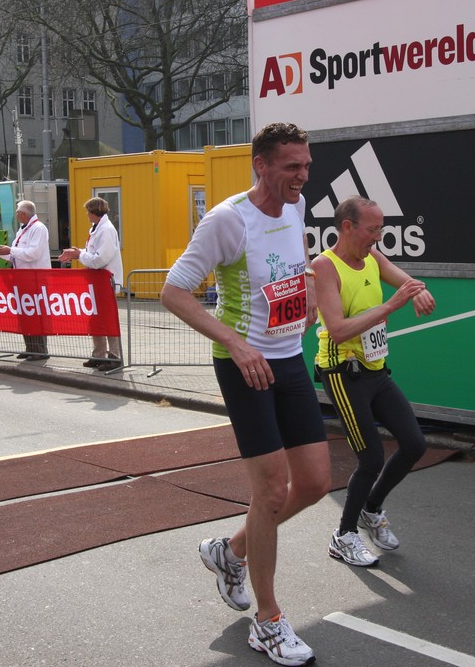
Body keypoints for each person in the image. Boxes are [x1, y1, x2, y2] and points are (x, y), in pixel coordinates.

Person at [161, 122, 328, 666]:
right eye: (291, 167)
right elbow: (173, 291)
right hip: (245, 366)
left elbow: (297, 256)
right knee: (271, 490)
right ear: (261, 165)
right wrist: (235, 344)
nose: (302, 176)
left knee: (314, 483)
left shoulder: (296, 206)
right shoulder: (228, 220)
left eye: (306, 166)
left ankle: (230, 550)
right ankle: (269, 621)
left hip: (289, 357)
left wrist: (307, 292)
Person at [311, 195, 435, 568]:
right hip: (342, 372)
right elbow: (337, 329)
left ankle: (372, 508)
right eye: (373, 229)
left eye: (381, 228)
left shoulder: (372, 257)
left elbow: (405, 280)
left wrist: (418, 290)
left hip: (376, 369)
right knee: (370, 457)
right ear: (348, 227)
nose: (378, 236)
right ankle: (344, 535)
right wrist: (391, 305)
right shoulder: (324, 266)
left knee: (414, 444)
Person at [60, 196, 122, 371]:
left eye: (88, 211)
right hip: (96, 281)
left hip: (106, 281)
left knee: (107, 320)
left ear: (94, 211)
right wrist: (78, 252)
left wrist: (79, 255)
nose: (86, 214)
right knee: (95, 319)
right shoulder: (97, 228)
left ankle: (114, 356)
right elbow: (93, 253)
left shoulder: (106, 230)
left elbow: (100, 259)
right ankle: (98, 354)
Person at [0, 200, 50, 361]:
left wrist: (10, 250)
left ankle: (39, 350)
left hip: (35, 279)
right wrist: (1, 252)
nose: (16, 215)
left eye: (17, 212)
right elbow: (16, 255)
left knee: (35, 314)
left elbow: (33, 254)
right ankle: (30, 347)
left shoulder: (38, 229)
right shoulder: (23, 229)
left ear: (23, 214)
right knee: (25, 314)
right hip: (23, 278)